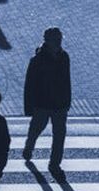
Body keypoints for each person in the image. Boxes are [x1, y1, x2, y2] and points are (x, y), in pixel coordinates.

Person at [23, 27, 71, 181]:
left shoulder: (64, 57)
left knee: (59, 135)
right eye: (55, 39)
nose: (58, 41)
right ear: (47, 40)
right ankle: (29, 147)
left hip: (59, 104)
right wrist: (29, 106)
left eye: (59, 38)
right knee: (36, 129)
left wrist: (67, 100)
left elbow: (67, 81)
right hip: (42, 103)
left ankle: (54, 164)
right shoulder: (37, 60)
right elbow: (29, 85)